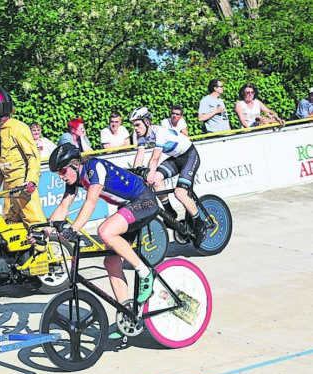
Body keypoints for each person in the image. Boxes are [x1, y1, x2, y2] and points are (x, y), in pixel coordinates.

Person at [47, 143, 159, 337]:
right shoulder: (74, 179)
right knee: (111, 262)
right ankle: (128, 316)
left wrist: (74, 229)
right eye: (58, 173)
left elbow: (91, 201)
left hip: (144, 201)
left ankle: (144, 272)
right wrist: (45, 230)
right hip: (128, 206)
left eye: (63, 171)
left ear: (75, 164)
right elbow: (64, 206)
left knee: (105, 231)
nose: (62, 176)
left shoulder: (94, 168)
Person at [130, 107, 207, 246]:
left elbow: (155, 158)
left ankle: (199, 223)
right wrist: (135, 173)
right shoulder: (140, 135)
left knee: (180, 193)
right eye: (133, 125)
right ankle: (170, 211)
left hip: (190, 156)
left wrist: (149, 174)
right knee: (156, 180)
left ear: (147, 122)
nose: (135, 128)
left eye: (137, 124)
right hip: (176, 158)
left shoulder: (159, 132)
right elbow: (140, 155)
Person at [0, 87, 45, 227]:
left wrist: (31, 181)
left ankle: (44, 248)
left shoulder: (18, 127)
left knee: (35, 223)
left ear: (3, 107)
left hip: (23, 184)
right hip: (8, 186)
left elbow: (33, 156)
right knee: (10, 224)